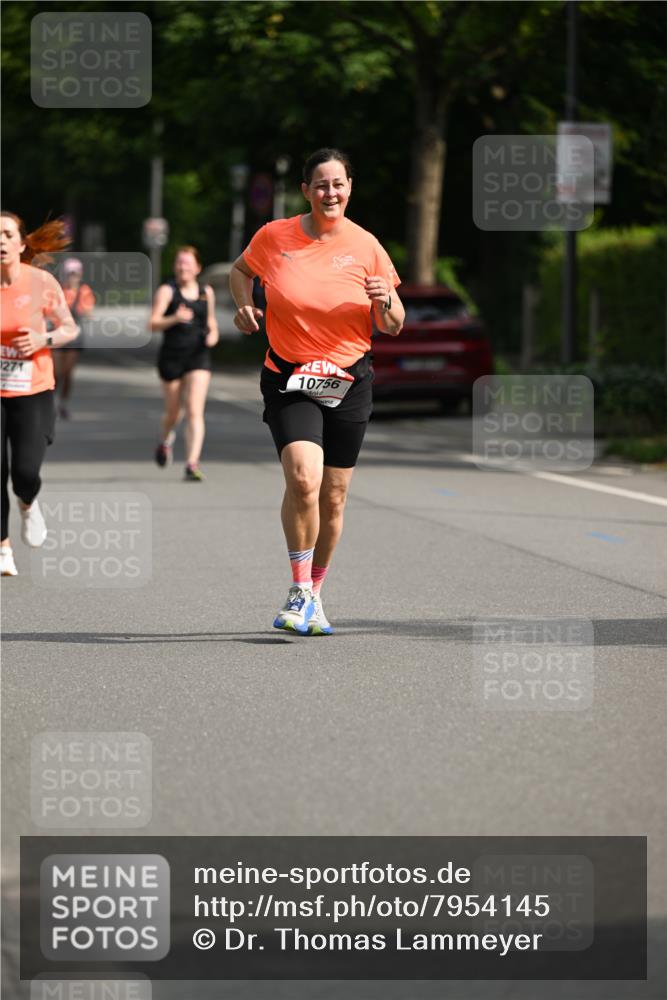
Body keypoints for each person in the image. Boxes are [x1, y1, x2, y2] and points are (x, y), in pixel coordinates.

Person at [229, 148, 404, 635]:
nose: (331, 193)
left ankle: (316, 593)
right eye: (321, 185)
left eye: (339, 184)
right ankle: (299, 587)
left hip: (349, 381)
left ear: (351, 188)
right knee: (303, 478)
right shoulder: (274, 236)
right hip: (291, 377)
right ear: (305, 190)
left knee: (333, 497)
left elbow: (393, 324)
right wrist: (244, 307)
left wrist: (385, 299)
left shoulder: (367, 245)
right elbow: (240, 272)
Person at [0, 211, 78, 576]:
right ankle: (3, 548)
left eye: (6, 234)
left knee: (25, 471)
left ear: (21, 243)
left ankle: (28, 503)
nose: (0, 241)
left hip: (32, 389)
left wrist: (41, 339)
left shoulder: (40, 282)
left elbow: (68, 328)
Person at [149, 246, 219, 481]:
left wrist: (213, 336)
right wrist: (175, 318)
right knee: (173, 412)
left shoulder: (205, 292)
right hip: (172, 357)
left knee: (194, 409)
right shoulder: (167, 291)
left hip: (198, 356)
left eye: (187, 263)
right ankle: (165, 438)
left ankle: (192, 463)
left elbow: (211, 323)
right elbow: (152, 323)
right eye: (179, 263)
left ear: (197, 267)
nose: (182, 267)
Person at [54, 257, 95, 419]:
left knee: (67, 373)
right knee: (56, 372)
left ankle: (63, 403)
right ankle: (53, 401)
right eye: (70, 273)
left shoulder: (84, 291)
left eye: (75, 273)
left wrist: (84, 309)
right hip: (58, 334)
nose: (72, 277)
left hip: (74, 337)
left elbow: (89, 311)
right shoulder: (58, 290)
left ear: (79, 274)